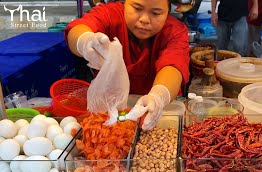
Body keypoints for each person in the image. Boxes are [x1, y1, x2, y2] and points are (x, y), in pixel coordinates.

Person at [65, 0, 190, 130]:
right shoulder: (109, 14)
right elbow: (78, 29)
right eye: (137, 8)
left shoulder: (174, 31)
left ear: (168, 12)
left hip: (157, 115)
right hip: (109, 113)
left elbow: (173, 66)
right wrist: (85, 41)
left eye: (156, 13)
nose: (145, 19)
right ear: (125, 3)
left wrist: (158, 97)